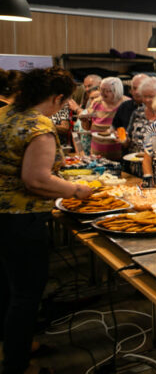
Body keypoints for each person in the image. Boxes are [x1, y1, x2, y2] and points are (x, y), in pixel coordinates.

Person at [0, 67, 92, 374]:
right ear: (56, 98)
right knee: (26, 293)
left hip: (2, 216)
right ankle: (17, 364)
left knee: (7, 288)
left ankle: (16, 345)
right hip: (20, 220)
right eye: (64, 102)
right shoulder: (39, 126)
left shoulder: (7, 114)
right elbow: (35, 180)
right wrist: (76, 189)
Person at [123, 77, 156, 177]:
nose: (147, 100)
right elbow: (128, 141)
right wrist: (123, 140)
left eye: (151, 96)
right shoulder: (137, 113)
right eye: (145, 96)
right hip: (135, 170)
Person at [84, 77, 128, 161]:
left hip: (120, 156)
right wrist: (85, 120)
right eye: (101, 90)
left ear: (117, 91)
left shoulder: (126, 104)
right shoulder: (96, 102)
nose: (103, 94)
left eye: (107, 91)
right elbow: (86, 127)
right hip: (96, 155)